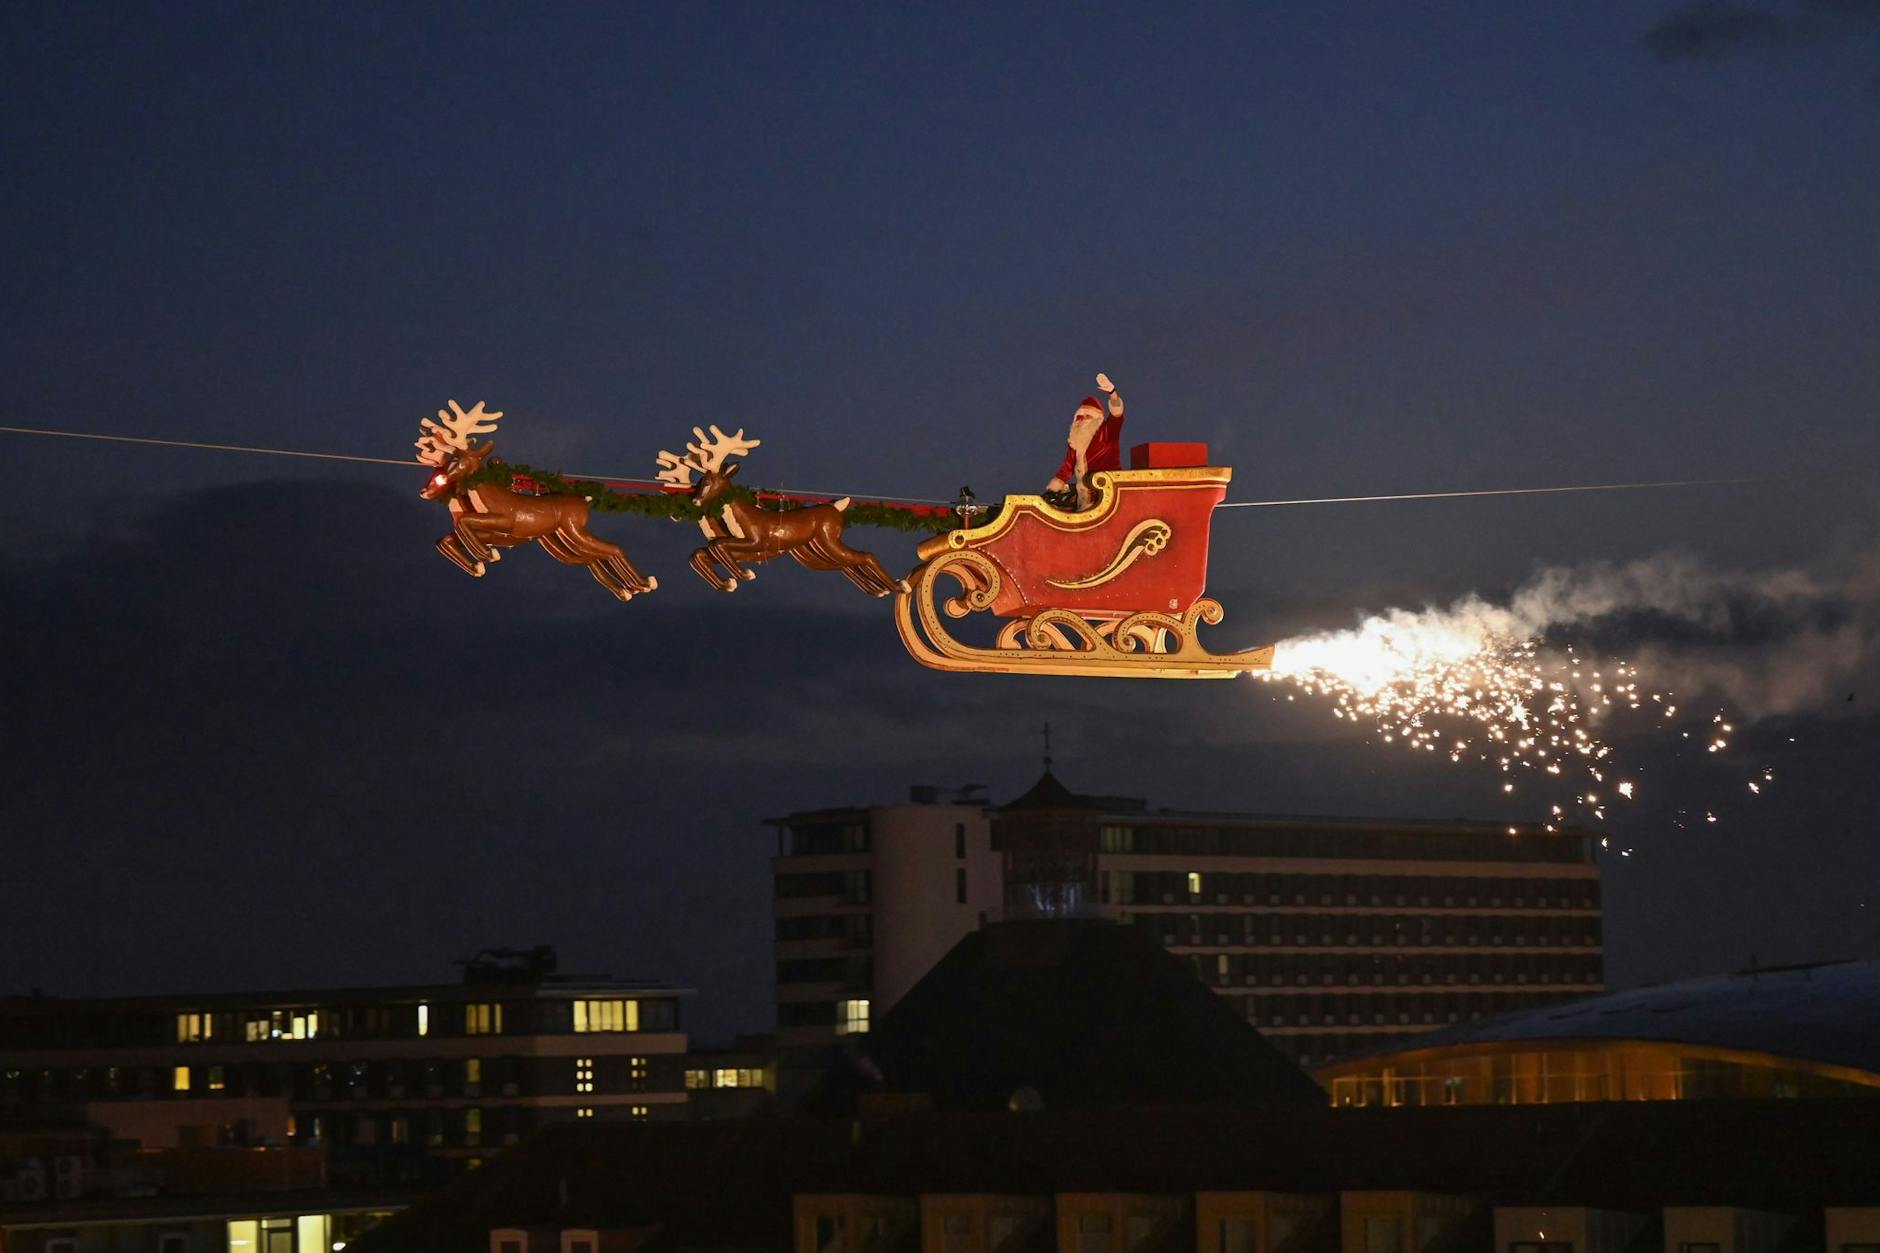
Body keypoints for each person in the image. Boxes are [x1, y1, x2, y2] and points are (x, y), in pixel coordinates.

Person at [1043, 373, 1124, 511]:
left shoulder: (1107, 431)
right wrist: (1055, 487)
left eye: (1087, 416)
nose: (1082, 420)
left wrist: (1112, 393)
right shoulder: (1075, 440)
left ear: (1097, 418)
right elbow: (1067, 466)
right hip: (1083, 498)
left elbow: (1117, 415)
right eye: (1079, 417)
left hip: (1106, 496)